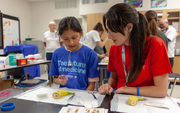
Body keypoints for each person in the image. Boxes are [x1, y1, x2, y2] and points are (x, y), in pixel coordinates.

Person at [98, 3, 172, 97]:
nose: (109, 36)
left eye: (113, 31)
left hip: (146, 102)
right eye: (108, 31)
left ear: (129, 27)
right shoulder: (114, 48)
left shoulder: (155, 45)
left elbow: (161, 91)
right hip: (120, 100)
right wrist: (108, 86)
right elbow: (114, 77)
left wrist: (128, 89)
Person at [49, 17, 100, 91]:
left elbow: (91, 85)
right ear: (60, 36)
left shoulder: (90, 54)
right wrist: (59, 81)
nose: (71, 42)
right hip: (64, 95)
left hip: (83, 95)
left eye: (74, 37)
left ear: (81, 33)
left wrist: (81, 99)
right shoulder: (57, 54)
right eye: (66, 39)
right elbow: (55, 79)